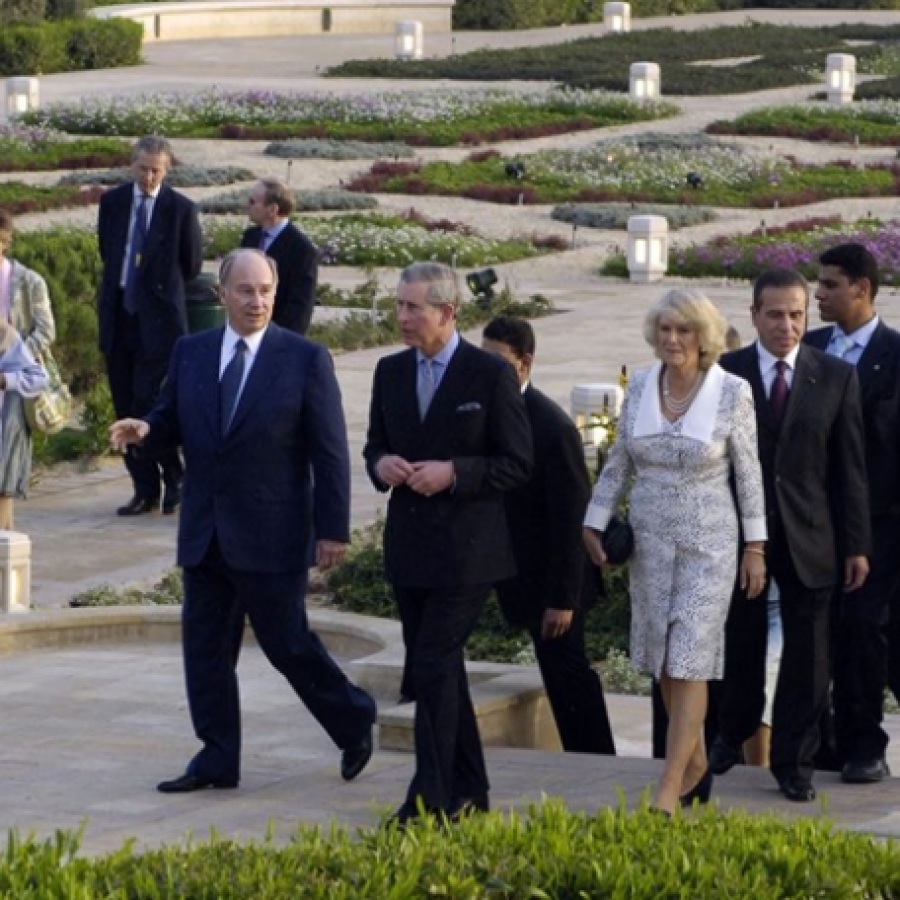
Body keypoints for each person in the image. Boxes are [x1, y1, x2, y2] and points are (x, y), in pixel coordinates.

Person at [109, 248, 376, 793]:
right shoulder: (192, 352)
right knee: (205, 652)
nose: (257, 301)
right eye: (246, 291)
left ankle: (352, 719)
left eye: (266, 292)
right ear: (222, 294)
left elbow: (329, 454)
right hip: (206, 532)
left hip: (272, 534)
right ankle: (216, 757)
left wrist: (333, 529)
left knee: (288, 645)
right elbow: (171, 416)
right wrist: (146, 429)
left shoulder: (304, 359)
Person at [583, 288, 767, 816]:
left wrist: (756, 547)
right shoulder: (641, 384)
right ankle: (696, 763)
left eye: (683, 330)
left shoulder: (732, 391)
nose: (672, 339)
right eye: (665, 329)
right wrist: (593, 522)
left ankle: (668, 784)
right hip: (651, 542)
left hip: (710, 543)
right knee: (664, 660)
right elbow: (618, 462)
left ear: (703, 337)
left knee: (689, 660)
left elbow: (749, 474)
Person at [363, 262, 532, 825]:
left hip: (468, 552)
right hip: (410, 549)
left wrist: (455, 472)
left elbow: (516, 463)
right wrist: (381, 464)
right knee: (440, 669)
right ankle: (472, 789)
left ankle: (428, 798)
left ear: (448, 311)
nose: (403, 318)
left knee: (432, 664)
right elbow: (373, 448)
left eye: (414, 308)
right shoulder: (388, 371)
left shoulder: (489, 373)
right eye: (399, 306)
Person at [709, 267, 870, 802]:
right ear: (754, 315)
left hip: (813, 537)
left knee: (809, 659)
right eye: (775, 315)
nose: (787, 325)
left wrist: (857, 545)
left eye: (796, 314)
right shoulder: (726, 374)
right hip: (741, 538)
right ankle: (731, 731)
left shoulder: (836, 377)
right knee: (741, 643)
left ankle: (793, 764)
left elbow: (849, 469)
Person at [481, 315, 616, 756]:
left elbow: (569, 520)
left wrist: (563, 598)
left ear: (525, 363)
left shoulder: (551, 426)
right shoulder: (485, 412)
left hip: (555, 581)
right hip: (509, 568)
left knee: (567, 671)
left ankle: (595, 759)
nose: (488, 371)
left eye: (499, 362)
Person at [804, 243, 900, 784]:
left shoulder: (896, 355)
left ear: (861, 288)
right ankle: (820, 740)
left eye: (831, 284)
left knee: (864, 630)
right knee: (818, 635)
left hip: (881, 527)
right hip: (813, 524)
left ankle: (865, 744)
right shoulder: (808, 349)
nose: (818, 294)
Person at [97, 135, 202, 517]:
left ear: (167, 170)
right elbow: (108, 253)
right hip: (119, 318)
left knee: (147, 406)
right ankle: (144, 489)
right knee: (123, 405)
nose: (149, 177)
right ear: (132, 165)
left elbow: (190, 265)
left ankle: (173, 476)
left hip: (159, 325)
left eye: (156, 170)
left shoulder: (180, 209)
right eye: (143, 169)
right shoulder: (113, 203)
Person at [0, 209, 56, 525]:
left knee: (4, 481)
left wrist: (14, 356)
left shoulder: (28, 281)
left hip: (12, 388)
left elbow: (45, 330)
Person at [240, 178, 318, 335]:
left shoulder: (301, 249)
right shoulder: (251, 237)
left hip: (278, 334)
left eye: (253, 201)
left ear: (272, 209)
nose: (247, 206)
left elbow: (300, 306)